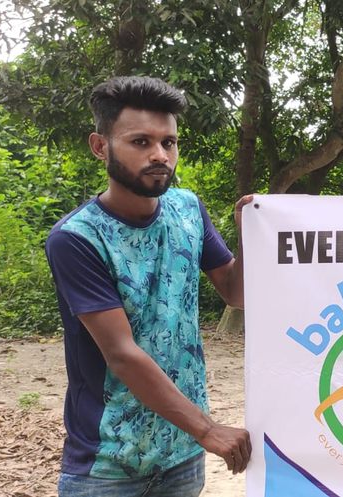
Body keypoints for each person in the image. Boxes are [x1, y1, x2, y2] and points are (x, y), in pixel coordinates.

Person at [45, 76, 253, 496]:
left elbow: (236, 293)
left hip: (182, 455)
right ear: (100, 146)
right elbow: (122, 355)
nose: (160, 155)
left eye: (168, 142)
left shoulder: (188, 209)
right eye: (141, 142)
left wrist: (250, 235)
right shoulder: (78, 238)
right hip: (108, 465)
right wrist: (208, 429)